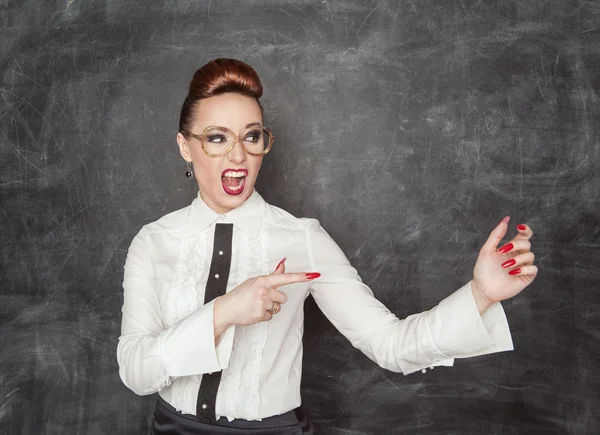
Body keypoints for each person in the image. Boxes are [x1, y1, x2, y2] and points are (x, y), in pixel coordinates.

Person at [116, 58, 537, 435]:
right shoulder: (153, 243)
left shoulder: (304, 238)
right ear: (185, 146)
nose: (239, 155)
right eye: (217, 138)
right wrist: (224, 312)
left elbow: (390, 344)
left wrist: (480, 295)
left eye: (252, 136)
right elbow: (135, 373)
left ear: (265, 144)